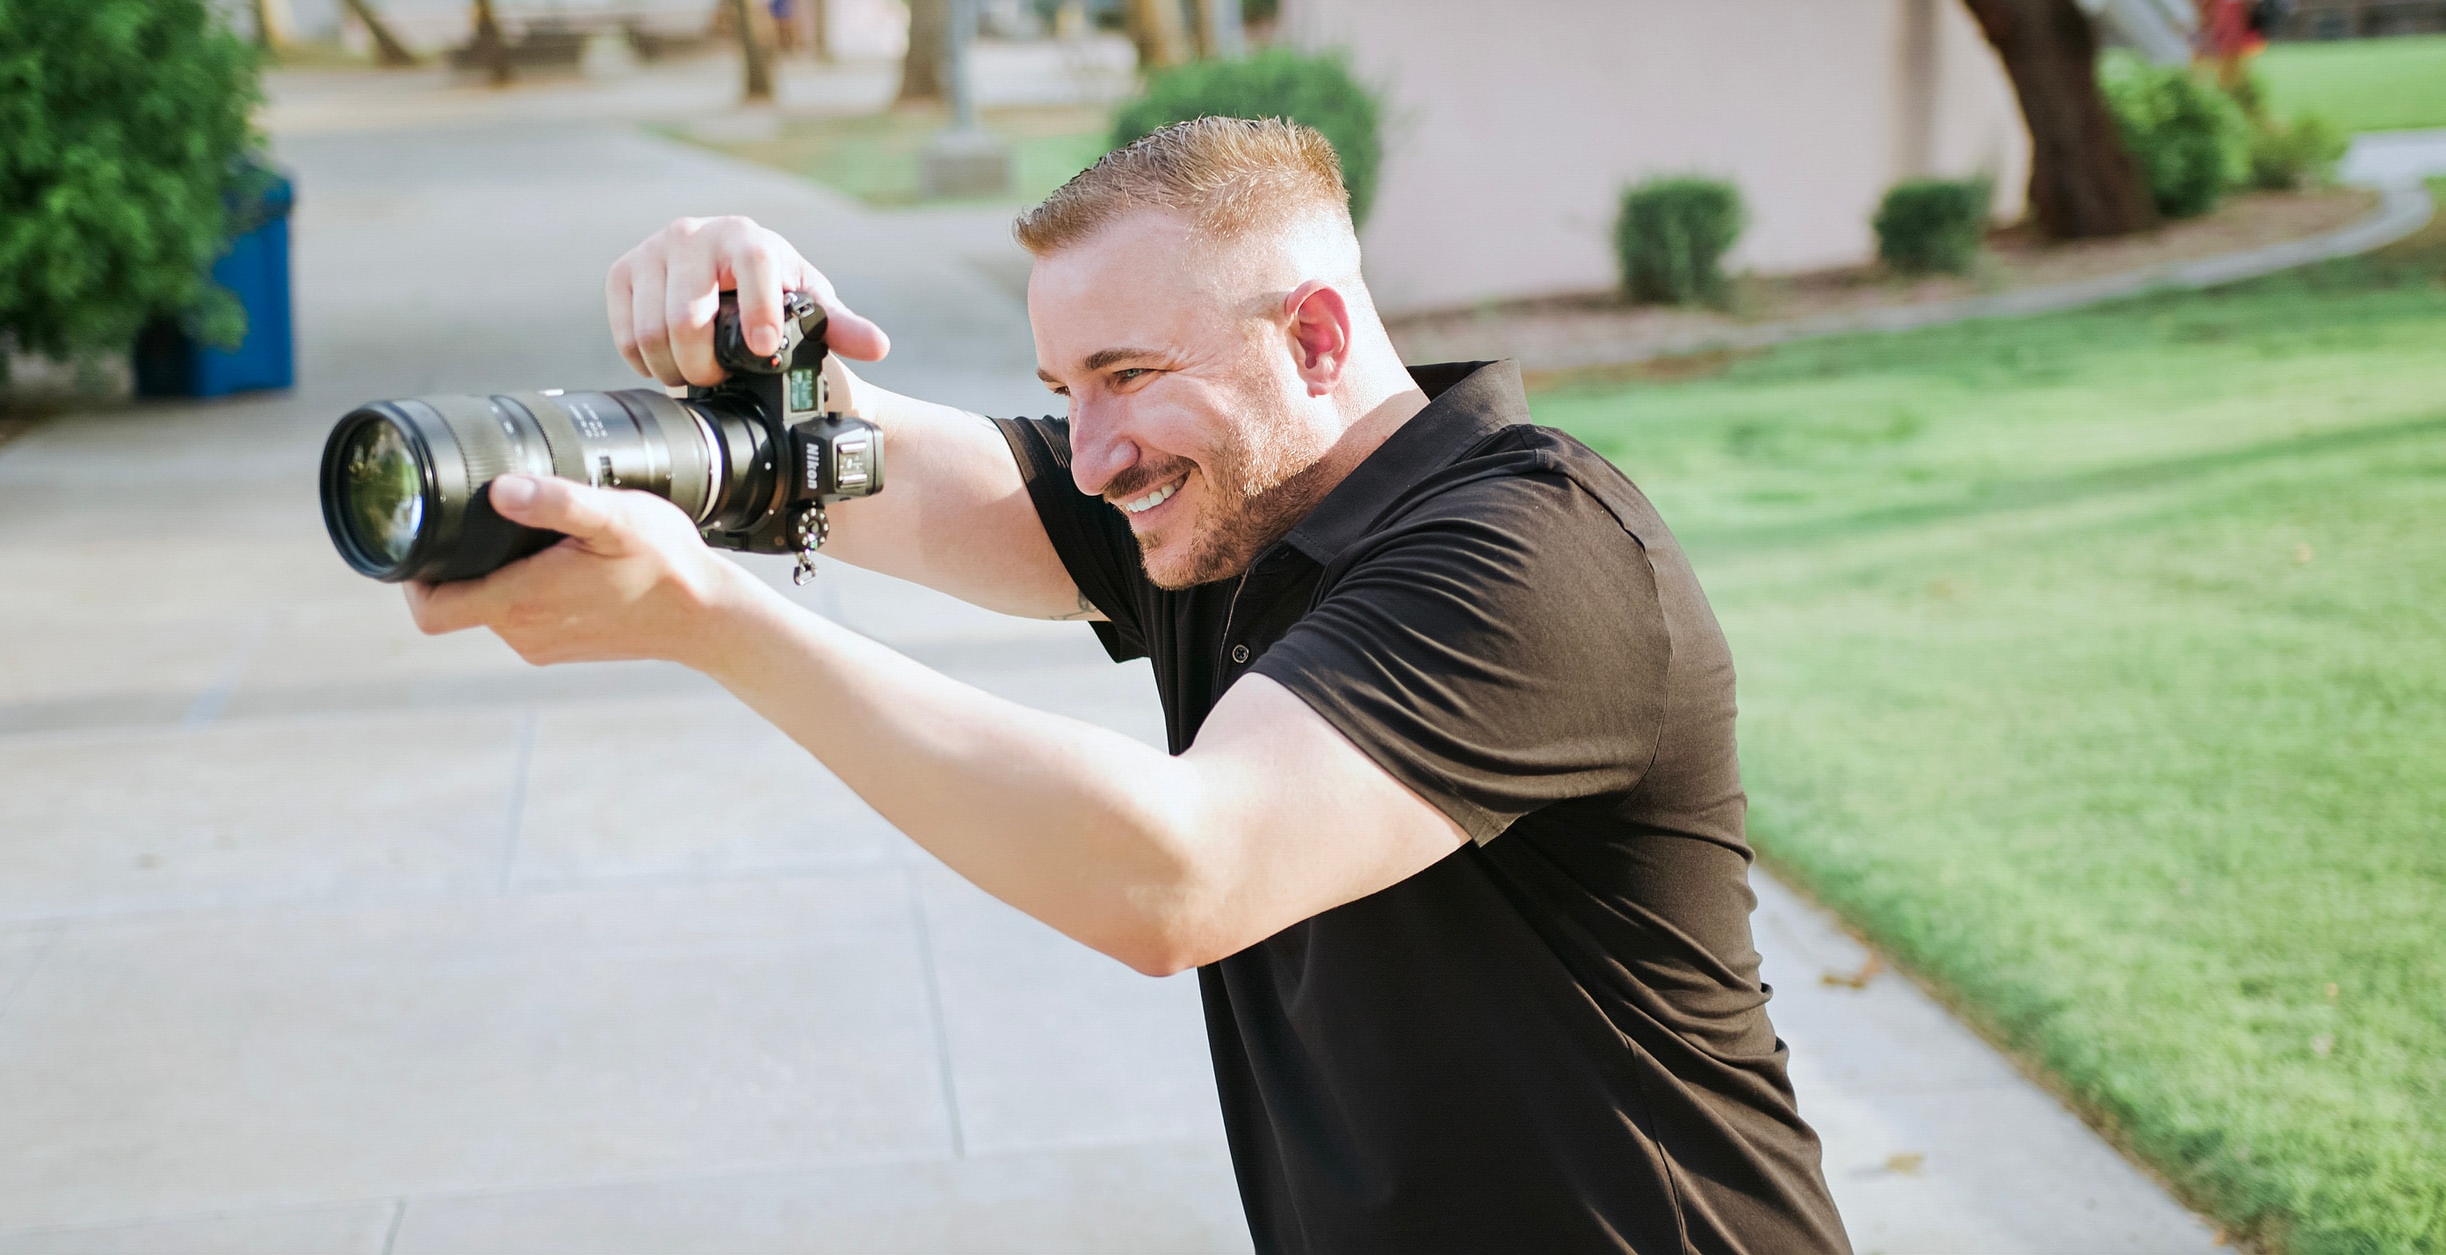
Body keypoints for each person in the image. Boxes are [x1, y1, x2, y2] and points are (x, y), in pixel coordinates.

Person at [407, 117, 1851, 1253]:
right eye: (1062, 386)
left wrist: (706, 617)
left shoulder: (1537, 554)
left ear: (1318, 339)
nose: (1092, 452)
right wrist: (752, 352)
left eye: (1126, 373)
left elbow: (1174, 875)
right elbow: (851, 464)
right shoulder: (1223, 499)